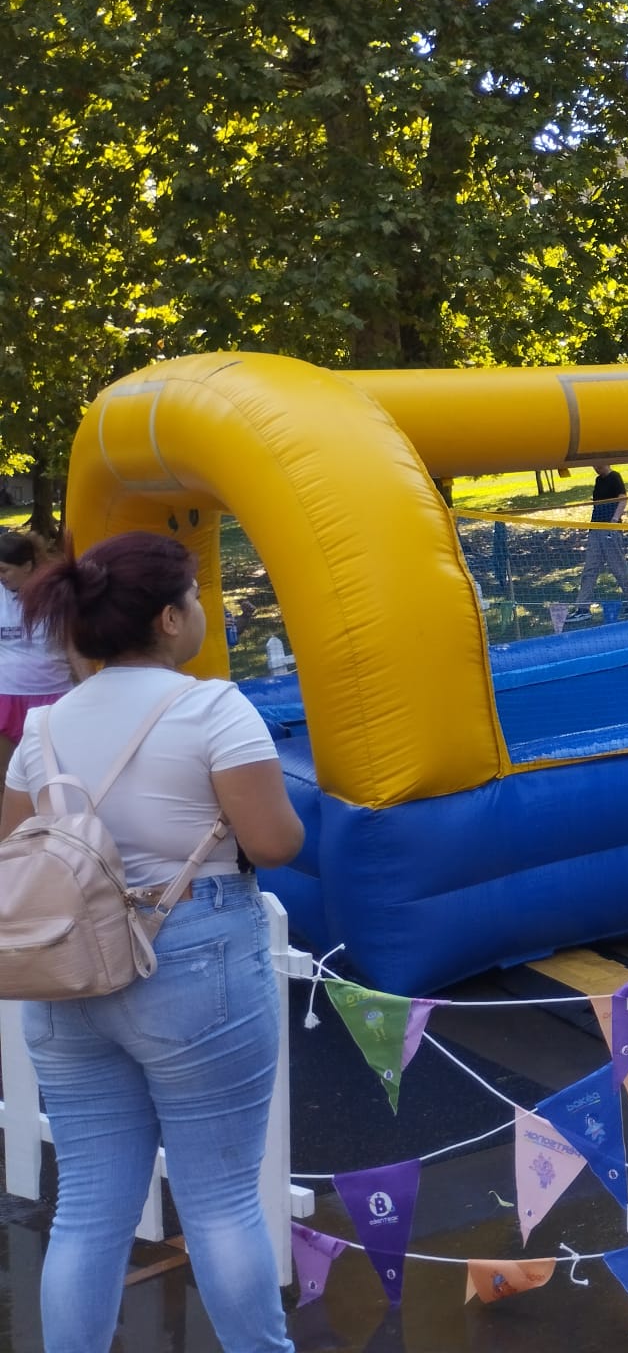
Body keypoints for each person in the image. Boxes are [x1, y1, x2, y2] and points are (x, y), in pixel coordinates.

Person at [0, 532, 304, 1353]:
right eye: (198, 598)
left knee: (92, 1203)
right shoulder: (212, 707)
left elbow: (20, 847)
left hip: (69, 977)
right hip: (191, 955)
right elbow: (275, 843)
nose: (204, 611)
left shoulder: (46, 727)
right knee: (221, 1203)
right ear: (171, 618)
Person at [0, 530, 73, 768]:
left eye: (4, 569)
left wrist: (94, 687)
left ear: (28, 566)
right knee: (5, 775)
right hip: (6, 696)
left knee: (52, 772)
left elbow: (74, 648)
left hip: (52, 696)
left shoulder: (56, 596)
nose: (0, 576)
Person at [566, 462, 628, 623]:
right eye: (594, 464)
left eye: (599, 464)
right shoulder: (598, 480)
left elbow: (623, 498)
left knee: (617, 566)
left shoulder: (614, 477)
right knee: (590, 568)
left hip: (609, 529)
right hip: (595, 528)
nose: (596, 467)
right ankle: (582, 607)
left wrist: (614, 520)